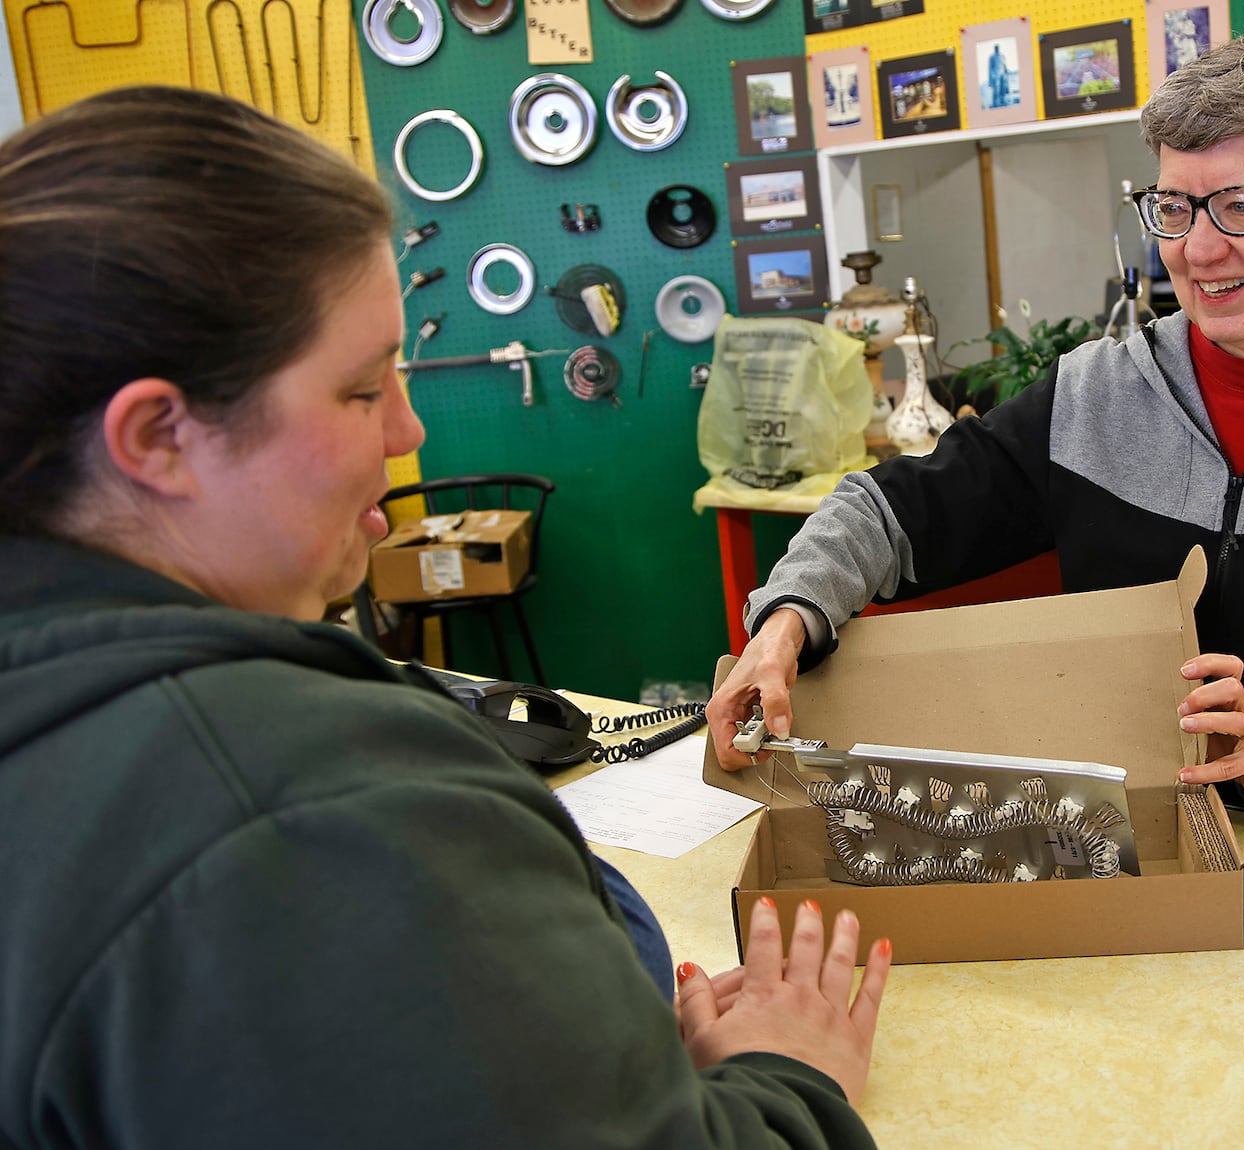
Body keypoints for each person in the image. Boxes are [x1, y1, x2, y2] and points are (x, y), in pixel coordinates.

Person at [0, 86, 890, 1149]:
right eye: (362, 389)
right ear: (159, 436)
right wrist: (787, 1083)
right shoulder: (308, 812)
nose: (409, 426)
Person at [707, 32, 1244, 837]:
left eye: (1243, 205)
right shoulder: (1094, 394)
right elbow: (893, 514)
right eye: (1174, 207)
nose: (1199, 249)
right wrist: (786, 619)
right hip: (1120, 848)